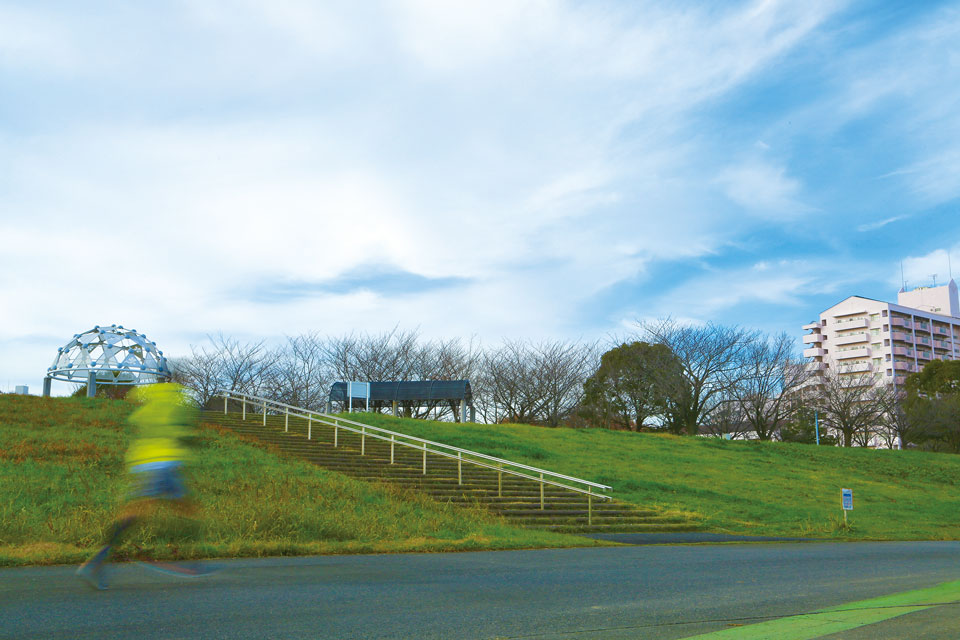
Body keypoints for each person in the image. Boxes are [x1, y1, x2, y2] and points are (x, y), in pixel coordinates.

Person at [76, 382, 202, 589]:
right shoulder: (175, 408)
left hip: (142, 465)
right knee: (187, 509)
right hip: (165, 464)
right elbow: (186, 434)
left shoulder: (145, 411)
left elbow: (135, 420)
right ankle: (190, 559)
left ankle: (97, 561)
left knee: (137, 513)